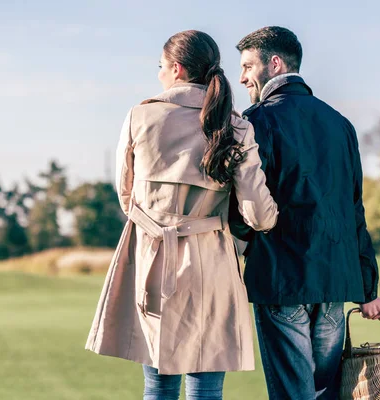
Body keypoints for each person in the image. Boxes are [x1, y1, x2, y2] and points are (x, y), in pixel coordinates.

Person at [86, 30, 278, 400]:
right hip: (211, 262)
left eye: (161, 66)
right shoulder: (234, 125)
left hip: (152, 260)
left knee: (157, 386)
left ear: (175, 68)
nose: (159, 74)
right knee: (206, 388)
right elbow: (258, 215)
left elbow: (127, 198)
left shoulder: (140, 116)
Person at [229, 26, 380, 400]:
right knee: (322, 393)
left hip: (282, 277)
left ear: (274, 63)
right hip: (334, 282)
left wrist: (241, 235)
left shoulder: (256, 121)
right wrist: (368, 288)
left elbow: (243, 207)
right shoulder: (341, 125)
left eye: (248, 66)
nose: (242, 77)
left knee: (293, 393)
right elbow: (354, 211)